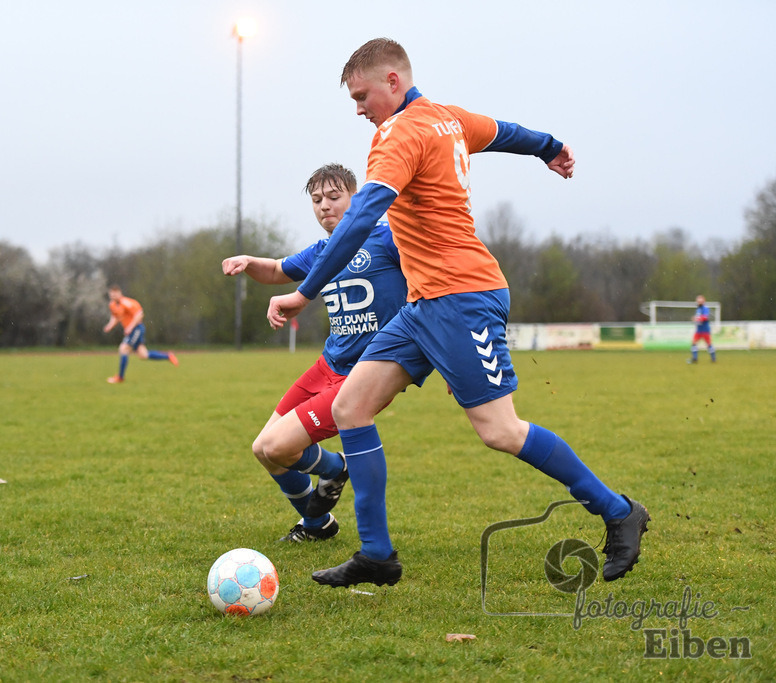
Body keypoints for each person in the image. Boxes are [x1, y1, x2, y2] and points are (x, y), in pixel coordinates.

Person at [266, 38, 649, 588]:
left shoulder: (397, 134)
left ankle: (618, 511)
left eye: (361, 95)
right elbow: (505, 132)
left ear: (393, 81)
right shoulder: (449, 119)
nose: (358, 108)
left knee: (500, 430)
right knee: (350, 408)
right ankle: (377, 554)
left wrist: (307, 290)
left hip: (462, 298)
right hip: (423, 306)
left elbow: (362, 215)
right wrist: (549, 147)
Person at [222, 163, 407, 543]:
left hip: (366, 374)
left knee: (278, 446)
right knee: (263, 449)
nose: (324, 206)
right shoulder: (322, 252)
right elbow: (276, 270)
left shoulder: (390, 240)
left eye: (334, 197)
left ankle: (335, 469)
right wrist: (249, 262)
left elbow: (434, 284)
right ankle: (319, 523)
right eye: (317, 200)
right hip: (328, 365)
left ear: (357, 199)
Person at [103, 285, 178, 383]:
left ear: (120, 293)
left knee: (123, 349)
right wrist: (109, 326)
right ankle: (168, 356)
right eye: (111, 294)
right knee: (143, 355)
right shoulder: (112, 305)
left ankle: (120, 377)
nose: (113, 296)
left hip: (136, 329)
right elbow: (116, 317)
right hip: (131, 331)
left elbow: (139, 314)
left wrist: (130, 327)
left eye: (115, 294)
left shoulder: (126, 303)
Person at [688, 295, 716, 363]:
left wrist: (697, 318)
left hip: (705, 330)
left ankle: (713, 358)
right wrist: (695, 319)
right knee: (693, 343)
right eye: (697, 301)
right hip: (699, 330)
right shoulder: (698, 309)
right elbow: (698, 318)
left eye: (699, 301)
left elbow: (706, 317)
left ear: (703, 302)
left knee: (709, 344)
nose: (698, 303)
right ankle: (695, 358)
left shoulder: (705, 308)